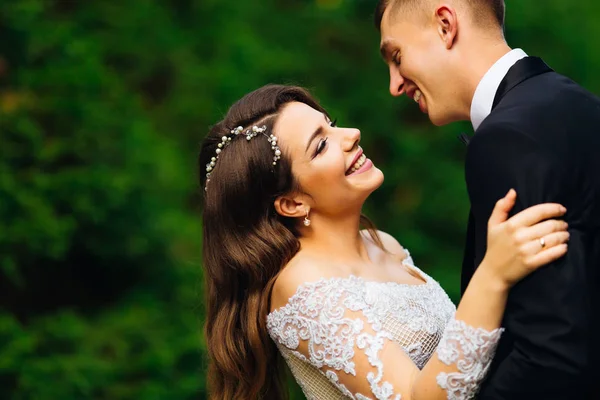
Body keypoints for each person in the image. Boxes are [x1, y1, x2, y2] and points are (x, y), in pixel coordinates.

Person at [200, 84, 569, 399]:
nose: (351, 134)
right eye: (320, 145)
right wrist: (493, 276)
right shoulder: (303, 288)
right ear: (292, 203)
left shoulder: (385, 245)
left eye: (330, 123)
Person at [374, 0, 600, 398]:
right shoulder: (576, 102)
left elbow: (551, 355)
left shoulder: (507, 136)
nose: (394, 85)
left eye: (396, 56)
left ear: (445, 25)